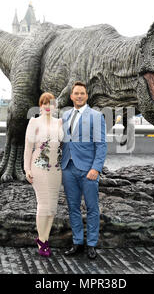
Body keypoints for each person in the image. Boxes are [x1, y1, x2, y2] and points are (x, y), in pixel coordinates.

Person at [61, 81, 107, 260]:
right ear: (71, 96)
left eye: (82, 93)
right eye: (76, 93)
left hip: (88, 170)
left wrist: (96, 168)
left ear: (86, 96)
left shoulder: (96, 116)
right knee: (73, 207)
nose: (79, 96)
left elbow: (101, 145)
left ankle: (92, 244)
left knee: (92, 207)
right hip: (68, 168)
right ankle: (77, 242)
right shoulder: (65, 116)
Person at [23, 92, 63, 257]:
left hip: (56, 168)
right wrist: (27, 169)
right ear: (40, 105)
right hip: (38, 167)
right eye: (44, 103)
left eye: (51, 103)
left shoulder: (60, 122)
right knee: (43, 205)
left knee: (52, 207)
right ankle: (42, 240)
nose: (48, 106)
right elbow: (28, 147)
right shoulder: (34, 122)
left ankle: (44, 239)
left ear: (55, 106)